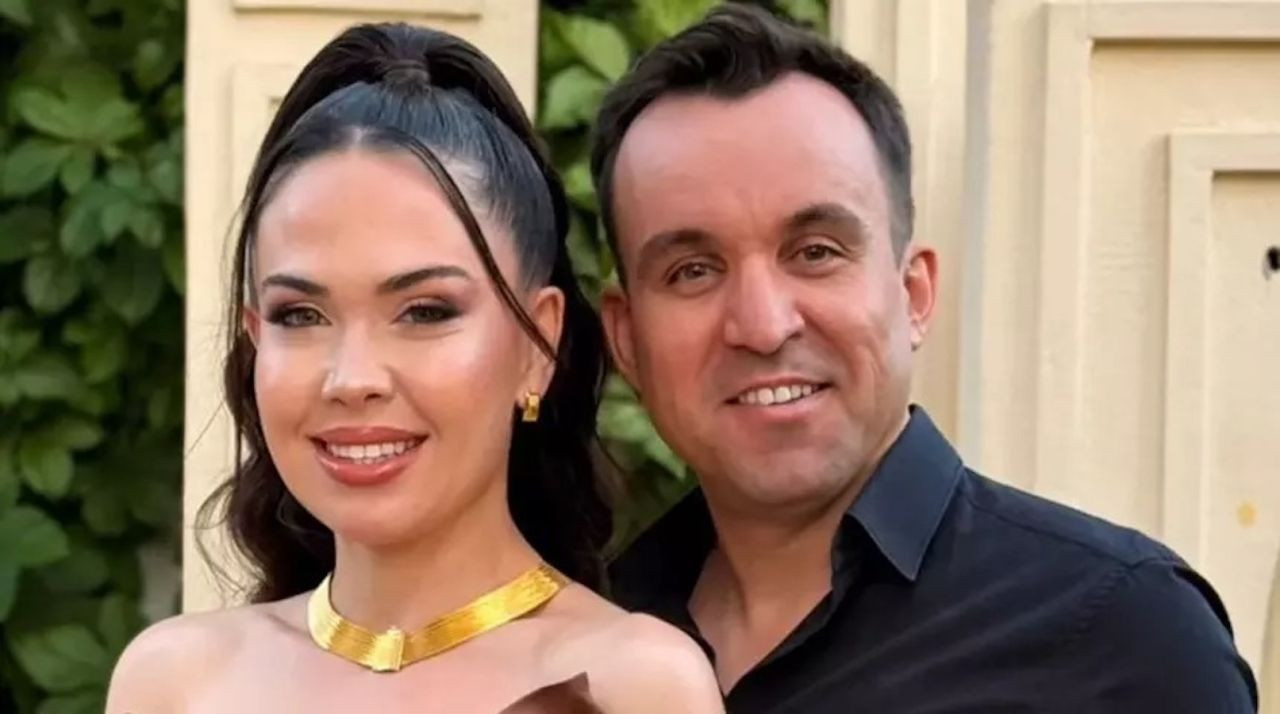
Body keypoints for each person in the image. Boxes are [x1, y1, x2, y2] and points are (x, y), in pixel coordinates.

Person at [592, 4, 1258, 712]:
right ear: (627, 339)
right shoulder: (588, 642)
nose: (762, 325)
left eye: (815, 252)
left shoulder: (1123, 636)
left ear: (914, 293)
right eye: (693, 271)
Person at [106, 22, 722, 713]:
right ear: (255, 340)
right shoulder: (175, 681)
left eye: (425, 311)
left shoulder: (633, 684)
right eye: (300, 316)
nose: (352, 379)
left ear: (538, 344)